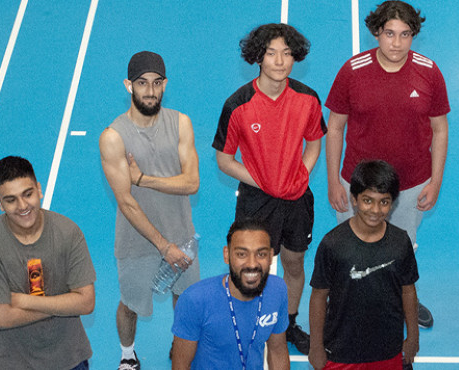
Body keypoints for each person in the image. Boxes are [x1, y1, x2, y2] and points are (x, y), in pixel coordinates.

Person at [324, 0, 450, 328]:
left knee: (403, 243)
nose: (396, 43)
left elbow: (440, 129)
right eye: (389, 33)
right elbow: (334, 127)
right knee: (348, 246)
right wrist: (334, 181)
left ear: (413, 35)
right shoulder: (352, 70)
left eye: (405, 34)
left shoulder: (429, 71)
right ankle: (342, 302)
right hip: (356, 182)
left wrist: (435, 181)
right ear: (377, 33)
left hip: (411, 184)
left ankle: (403, 297)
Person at [212, 23, 325, 354]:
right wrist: (261, 180)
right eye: (272, 53)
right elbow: (224, 160)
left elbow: (315, 143)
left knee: (294, 263)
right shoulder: (239, 105)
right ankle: (244, 323)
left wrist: (299, 173)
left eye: (287, 54)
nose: (280, 61)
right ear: (258, 58)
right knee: (251, 266)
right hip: (256, 201)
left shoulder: (307, 98)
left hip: (297, 199)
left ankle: (288, 323)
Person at [99, 50, 201, 369]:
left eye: (157, 83)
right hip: (136, 242)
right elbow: (126, 201)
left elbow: (192, 183)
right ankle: (128, 355)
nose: (150, 90)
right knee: (130, 305)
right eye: (142, 83)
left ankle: (179, 343)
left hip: (180, 231)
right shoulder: (113, 137)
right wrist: (162, 246)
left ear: (165, 84)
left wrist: (143, 179)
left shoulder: (181, 123)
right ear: (128, 86)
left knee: (185, 298)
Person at [0, 156, 96, 369]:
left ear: (39, 189)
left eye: (27, 194)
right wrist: (64, 304)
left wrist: (25, 301)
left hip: (69, 360)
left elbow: (86, 303)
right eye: (11, 200)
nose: (22, 206)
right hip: (12, 363)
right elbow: (2, 317)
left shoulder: (68, 233)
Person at [309, 160, 419, 370]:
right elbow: (319, 296)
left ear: (393, 202)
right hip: (342, 353)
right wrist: (316, 347)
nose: (375, 210)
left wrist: (413, 336)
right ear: (354, 199)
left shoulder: (400, 241)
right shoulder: (332, 245)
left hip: (388, 350)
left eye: (384, 202)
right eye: (368, 200)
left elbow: (408, 291)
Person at [171, 219, 289, 370]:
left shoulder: (277, 290)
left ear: (271, 256)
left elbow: (277, 351)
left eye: (261, 254)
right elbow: (181, 366)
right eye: (241, 254)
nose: (252, 264)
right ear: (226, 255)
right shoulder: (195, 300)